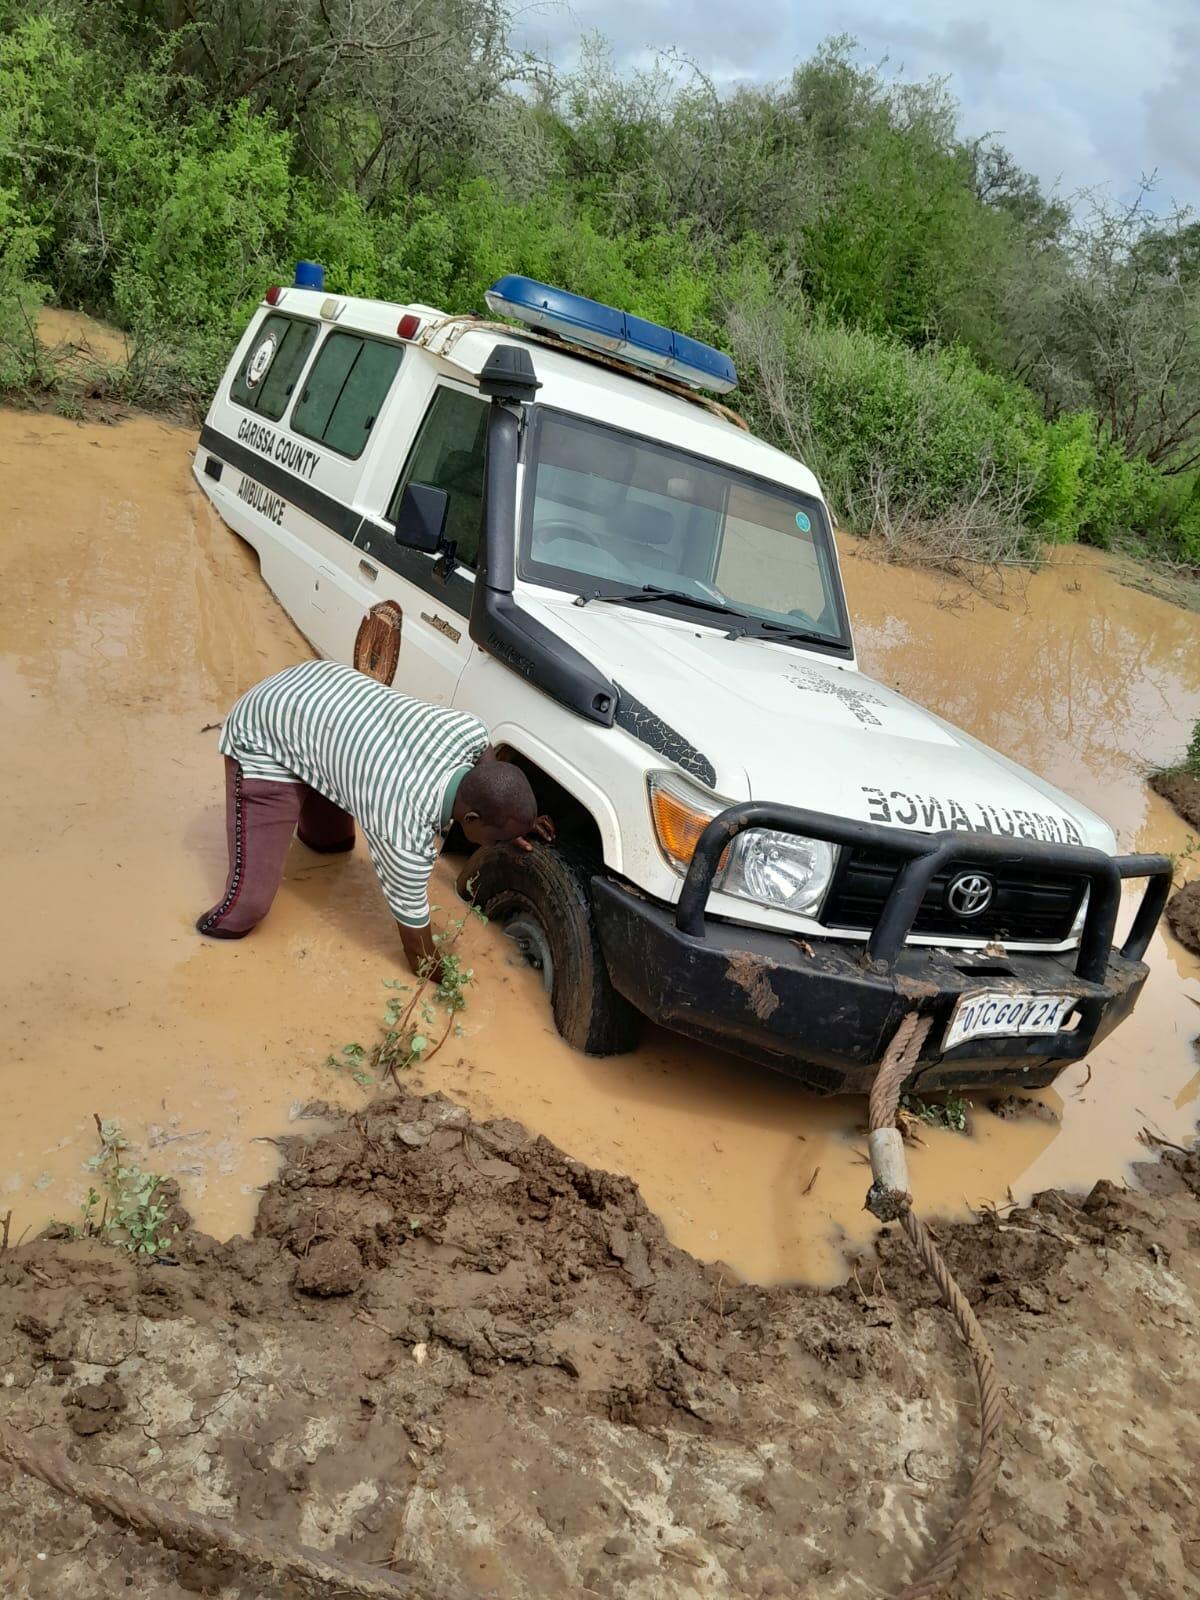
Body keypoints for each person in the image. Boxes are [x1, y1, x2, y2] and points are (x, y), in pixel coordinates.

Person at [196, 659, 552, 975]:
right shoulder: (403, 832)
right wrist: (449, 983)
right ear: (471, 820)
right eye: (497, 841)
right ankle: (206, 935)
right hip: (266, 727)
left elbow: (487, 760)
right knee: (247, 909)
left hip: (322, 693)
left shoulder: (465, 731)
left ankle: (307, 792)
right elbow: (419, 954)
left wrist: (517, 821)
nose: (501, 847)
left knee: (333, 845)